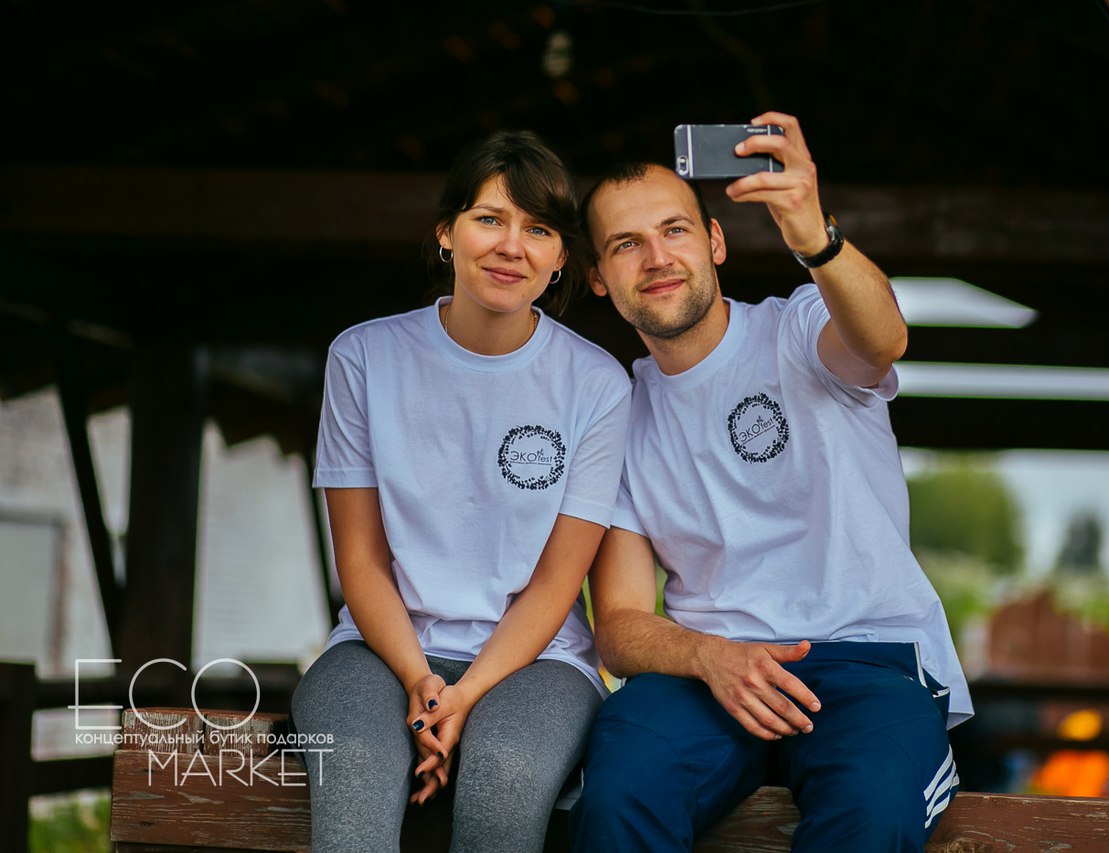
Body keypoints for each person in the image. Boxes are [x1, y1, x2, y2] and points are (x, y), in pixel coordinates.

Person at [569, 112, 972, 852]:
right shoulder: (616, 413)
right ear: (597, 277)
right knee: (619, 794)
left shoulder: (797, 327)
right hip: (706, 673)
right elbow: (620, 625)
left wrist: (815, 234)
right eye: (626, 244)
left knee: (871, 814)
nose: (657, 257)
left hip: (866, 656)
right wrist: (707, 657)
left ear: (715, 242)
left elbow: (884, 340)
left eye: (675, 230)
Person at [291, 130, 631, 853]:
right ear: (447, 232)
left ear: (561, 257)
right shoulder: (365, 358)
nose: (512, 246)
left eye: (538, 229)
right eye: (489, 219)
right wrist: (419, 679)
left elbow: (556, 583)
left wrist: (465, 696)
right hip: (379, 647)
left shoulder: (597, 384)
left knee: (505, 779)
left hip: (540, 659)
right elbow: (361, 560)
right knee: (352, 778)